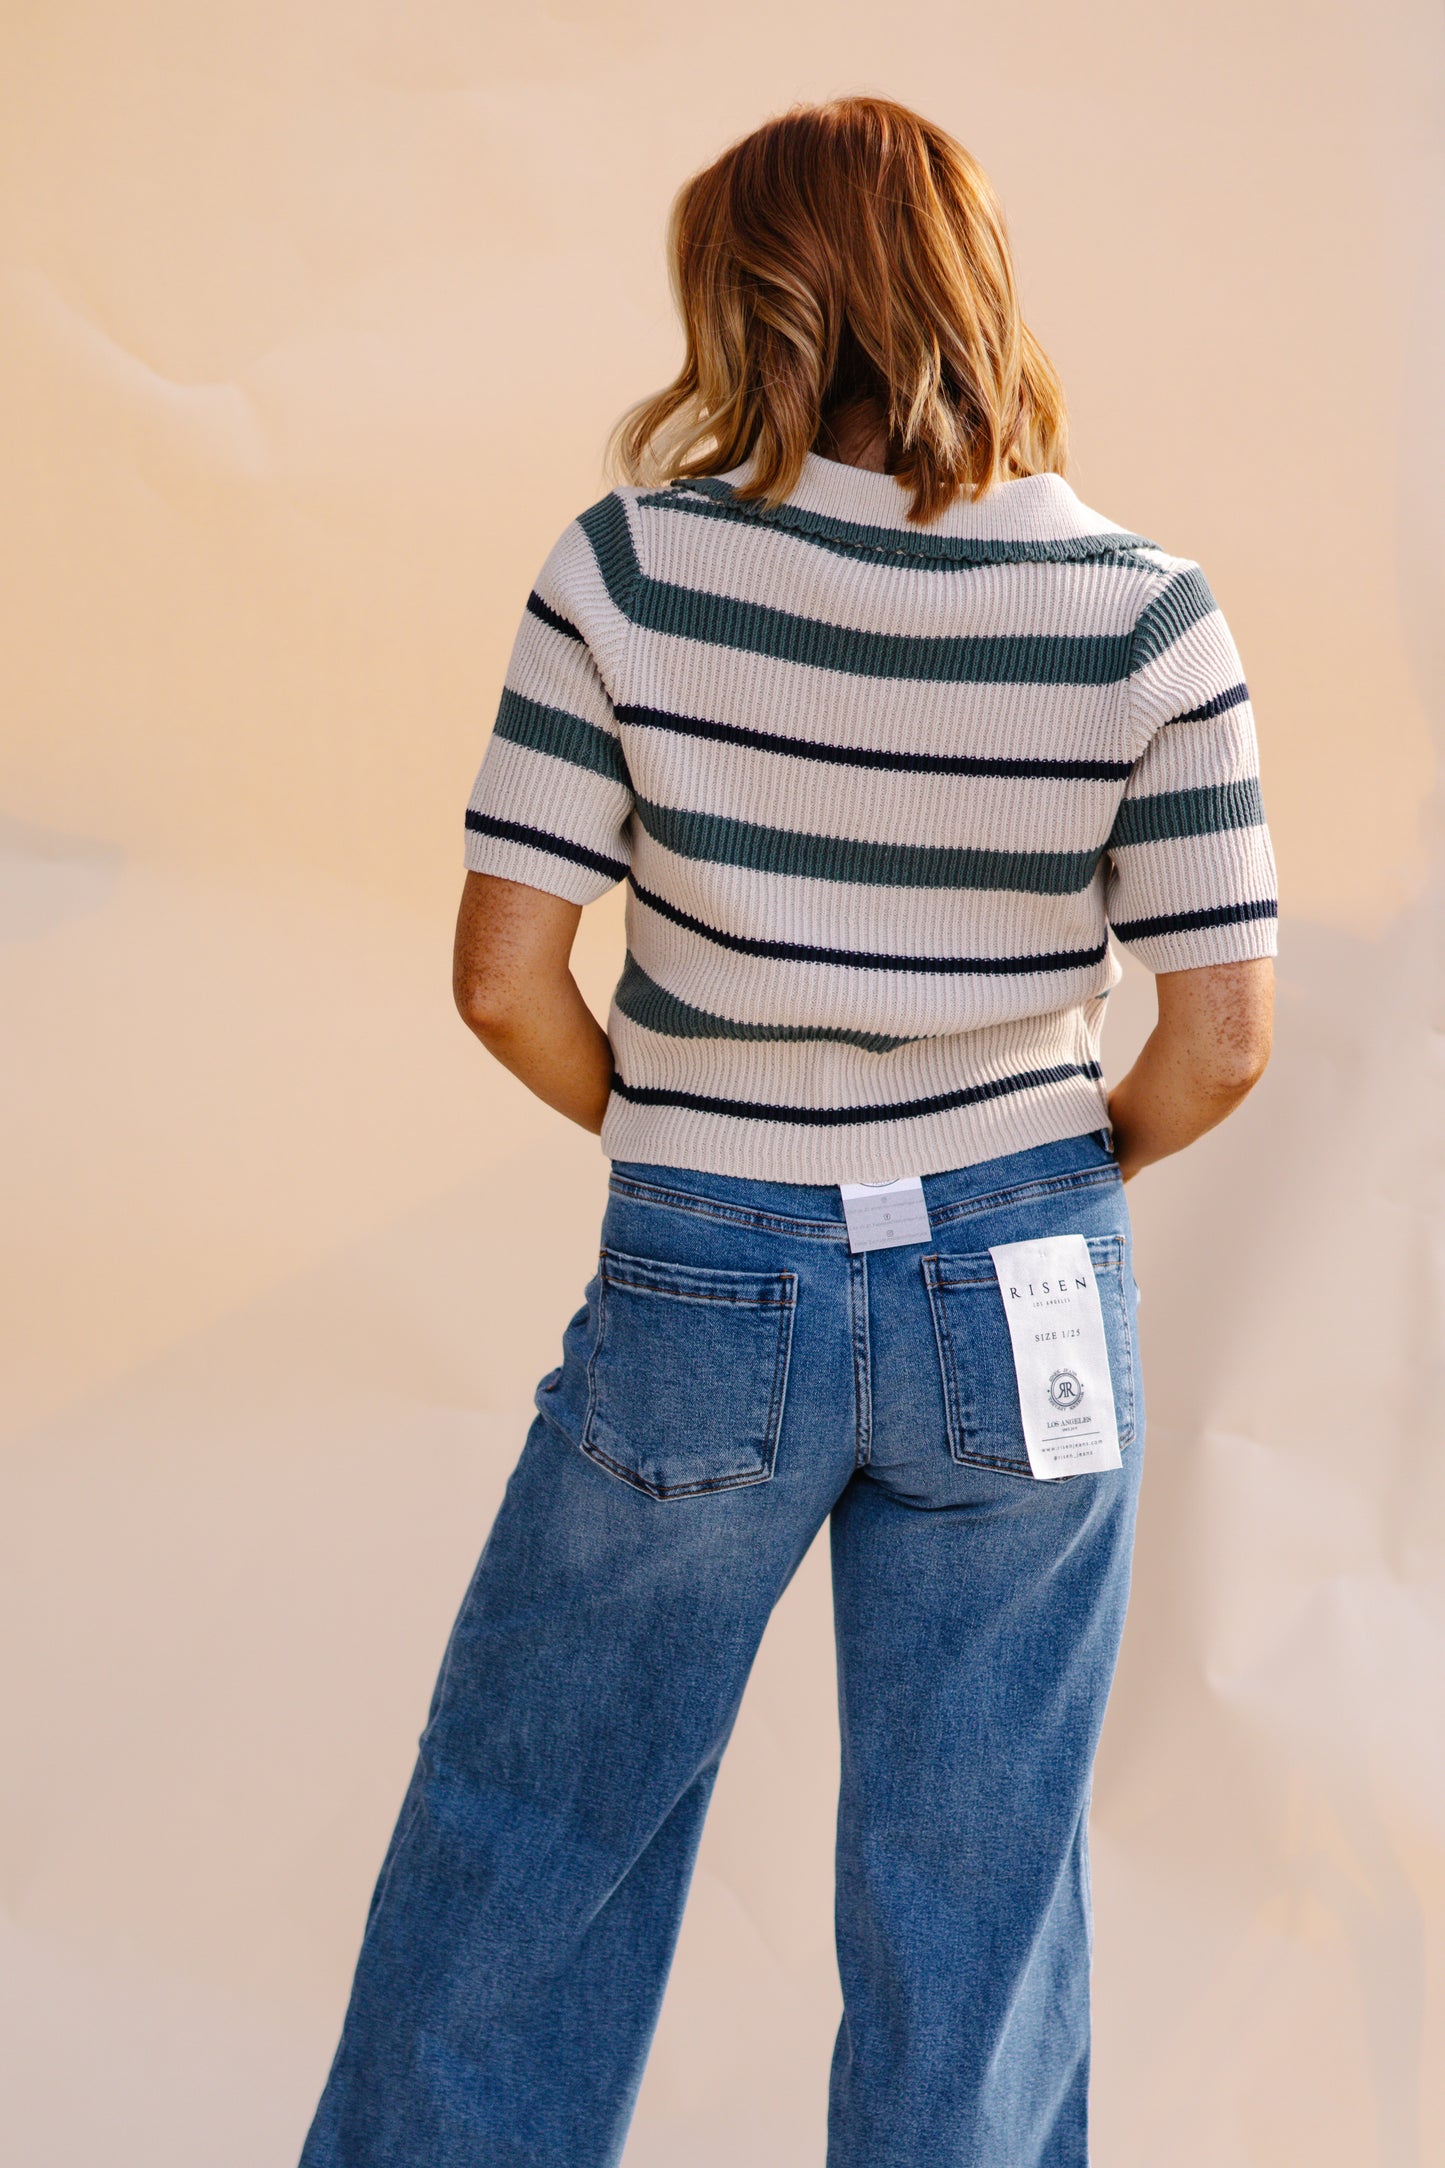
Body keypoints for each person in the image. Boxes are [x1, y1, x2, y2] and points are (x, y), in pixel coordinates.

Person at [298, 94, 1276, 2168]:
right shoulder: (1144, 613)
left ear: (745, 308)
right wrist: (1044, 1170)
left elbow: (500, 976)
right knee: (977, 1896)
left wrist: (686, 1145)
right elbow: (1222, 1040)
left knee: (531, 1839)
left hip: (709, 1254)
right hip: (1026, 1277)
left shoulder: (629, 571)